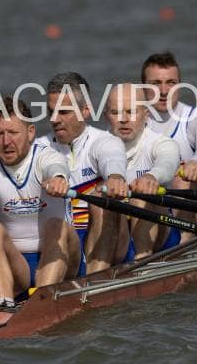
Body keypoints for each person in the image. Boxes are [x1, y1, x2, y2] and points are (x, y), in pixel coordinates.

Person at [0, 97, 80, 310]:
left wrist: (58, 179)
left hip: (64, 260)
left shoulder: (47, 156)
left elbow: (56, 167)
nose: (6, 141)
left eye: (13, 132)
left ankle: (41, 303)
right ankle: (4, 305)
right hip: (17, 269)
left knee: (58, 225)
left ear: (30, 132)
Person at [37, 72, 129, 274]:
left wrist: (115, 178)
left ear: (85, 110)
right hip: (66, 244)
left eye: (63, 112)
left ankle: (94, 278)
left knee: (101, 198)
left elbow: (112, 158)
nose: (54, 119)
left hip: (110, 242)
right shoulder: (39, 147)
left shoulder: (104, 141)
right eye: (51, 111)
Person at [141, 52, 197, 243]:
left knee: (181, 176)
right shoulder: (129, 122)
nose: (164, 90)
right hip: (151, 208)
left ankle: (183, 243)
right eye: (156, 83)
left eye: (171, 83)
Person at [105, 83, 180, 259]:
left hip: (160, 231)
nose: (124, 119)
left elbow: (167, 163)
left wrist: (152, 176)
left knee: (139, 199)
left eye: (131, 112)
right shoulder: (95, 146)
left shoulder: (161, 143)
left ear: (146, 115)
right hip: (117, 229)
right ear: (106, 116)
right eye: (116, 112)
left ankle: (141, 261)